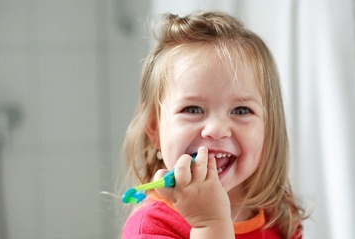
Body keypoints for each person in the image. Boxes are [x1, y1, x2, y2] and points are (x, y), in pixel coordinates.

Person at [121, 11, 306, 239]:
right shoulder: (150, 227)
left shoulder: (280, 217)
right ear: (154, 130)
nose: (217, 129)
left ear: (268, 131)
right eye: (192, 109)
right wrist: (209, 226)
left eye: (241, 110)